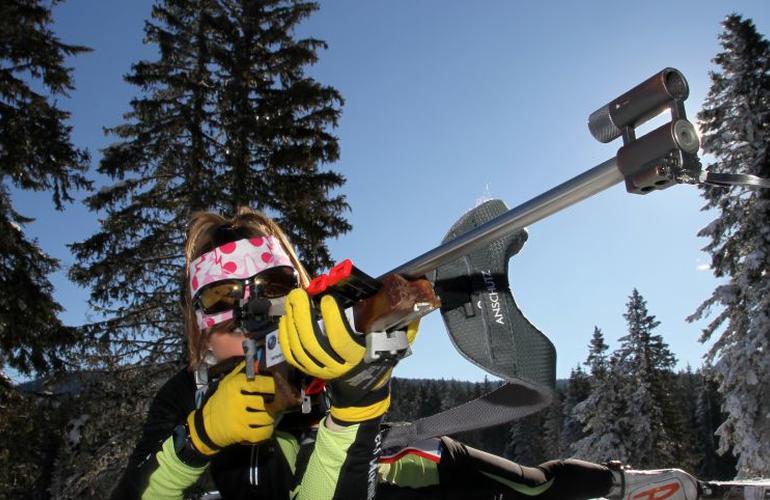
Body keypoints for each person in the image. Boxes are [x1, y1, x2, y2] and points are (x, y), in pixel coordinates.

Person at [112, 207, 701, 500]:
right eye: (220, 296)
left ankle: (626, 487)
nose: (244, 314)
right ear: (197, 318)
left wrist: (359, 389)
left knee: (519, 483)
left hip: (379, 463)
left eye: (267, 290)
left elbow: (347, 450)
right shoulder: (183, 399)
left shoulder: (315, 360)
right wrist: (198, 440)